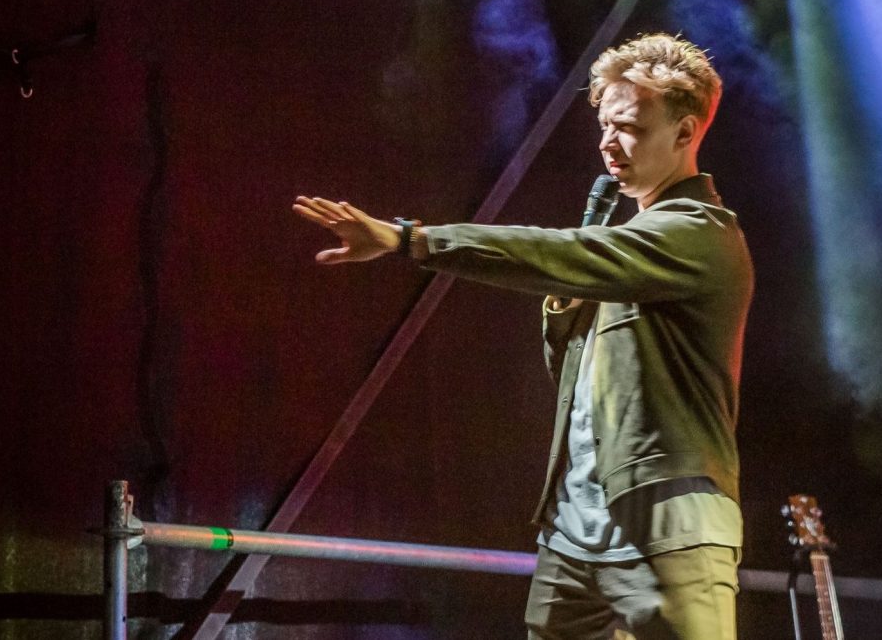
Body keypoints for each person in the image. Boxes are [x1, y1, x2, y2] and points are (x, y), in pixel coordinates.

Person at [293, 33, 754, 639]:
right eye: (605, 125)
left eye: (629, 127)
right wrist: (563, 313)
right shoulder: (628, 249)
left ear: (685, 132)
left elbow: (550, 252)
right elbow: (576, 384)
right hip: (574, 533)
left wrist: (411, 239)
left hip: (668, 530)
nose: (608, 142)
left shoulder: (700, 233)